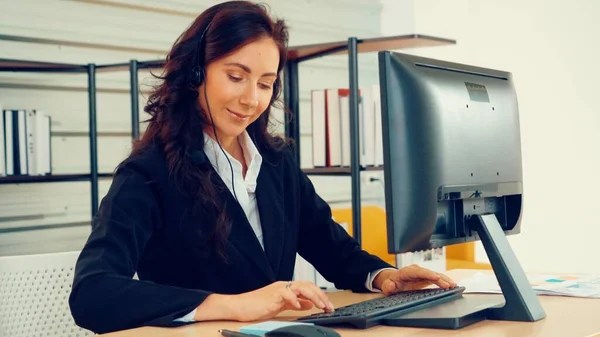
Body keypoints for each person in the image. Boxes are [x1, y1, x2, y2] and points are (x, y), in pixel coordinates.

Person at [68, 1, 456, 334]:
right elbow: (93, 293)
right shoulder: (148, 173)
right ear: (195, 75)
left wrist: (384, 277)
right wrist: (231, 305)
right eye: (236, 77)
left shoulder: (274, 163)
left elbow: (331, 247)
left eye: (266, 83)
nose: (251, 99)